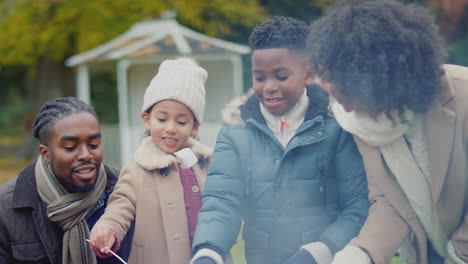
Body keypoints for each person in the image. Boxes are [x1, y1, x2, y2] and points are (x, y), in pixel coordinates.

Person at [191, 16, 370, 264]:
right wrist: (208, 252)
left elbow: (357, 206)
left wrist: (318, 252)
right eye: (260, 77)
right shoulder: (234, 133)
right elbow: (221, 201)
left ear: (308, 74)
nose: (269, 87)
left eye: (281, 76)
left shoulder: (337, 128)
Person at [306, 0, 468, 263]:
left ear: (381, 73)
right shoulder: (358, 121)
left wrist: (459, 254)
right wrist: (359, 254)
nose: (330, 89)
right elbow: (391, 203)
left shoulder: (463, 96)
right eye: (326, 75)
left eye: (342, 78)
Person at [88, 57, 212, 264]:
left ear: (195, 127)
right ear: (146, 120)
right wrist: (108, 227)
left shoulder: (208, 166)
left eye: (182, 121)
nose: (170, 128)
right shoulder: (136, 171)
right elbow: (120, 207)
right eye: (162, 119)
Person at [0, 97, 133, 263]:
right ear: (45, 154)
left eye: (94, 144)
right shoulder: (6, 208)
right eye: (71, 147)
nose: (86, 155)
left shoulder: (126, 190)